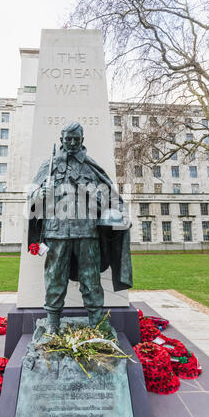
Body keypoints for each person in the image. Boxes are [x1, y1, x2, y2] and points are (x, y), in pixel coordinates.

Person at [28, 122, 132, 333]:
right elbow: (32, 201)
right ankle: (52, 324)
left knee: (91, 280)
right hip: (57, 233)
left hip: (87, 232)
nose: (73, 143)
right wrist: (42, 193)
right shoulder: (49, 166)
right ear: (62, 140)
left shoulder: (90, 167)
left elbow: (111, 198)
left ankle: (96, 321)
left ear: (82, 140)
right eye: (68, 139)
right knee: (55, 279)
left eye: (77, 139)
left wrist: (94, 195)